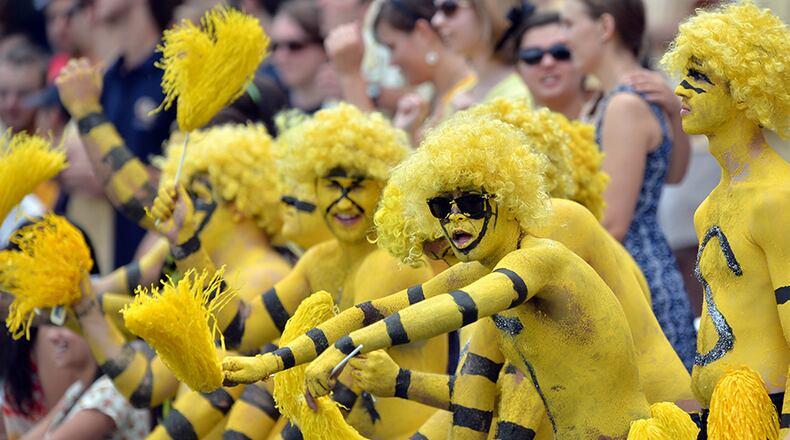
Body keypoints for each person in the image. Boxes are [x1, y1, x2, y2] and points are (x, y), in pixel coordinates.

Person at [225, 112, 697, 438]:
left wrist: (351, 352)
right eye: (441, 210)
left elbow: (458, 318)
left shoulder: (541, 252)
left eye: (471, 204)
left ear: (508, 196)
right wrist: (269, 365)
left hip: (660, 422)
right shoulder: (481, 269)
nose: (453, 227)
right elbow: (377, 313)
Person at [163, 103, 447, 438]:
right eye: (331, 185)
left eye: (356, 186)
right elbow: (241, 328)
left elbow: (338, 383)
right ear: (312, 185)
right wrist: (184, 240)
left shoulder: (390, 262)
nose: (342, 202)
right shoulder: (318, 260)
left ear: (384, 189)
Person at [662, 2, 790, 436]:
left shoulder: (778, 199)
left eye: (698, 77)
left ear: (743, 92)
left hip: (766, 415)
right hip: (715, 414)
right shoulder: (707, 209)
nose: (680, 90)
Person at [561, 0, 696, 369]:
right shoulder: (612, 99)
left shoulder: (623, 104)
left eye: (569, 24)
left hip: (634, 279)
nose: (563, 37)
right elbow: (673, 174)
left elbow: (613, 223)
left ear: (604, 28)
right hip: (638, 268)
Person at [373, 0, 474, 144]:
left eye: (392, 47)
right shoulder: (434, 99)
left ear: (422, 32)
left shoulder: (469, 98)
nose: (392, 62)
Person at [431, 0, 532, 108]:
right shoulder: (461, 94)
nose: (436, 21)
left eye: (449, 7)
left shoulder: (520, 95)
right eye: (436, 10)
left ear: (487, 8)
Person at [270, 0, 339, 114]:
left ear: (324, 46)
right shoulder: (267, 106)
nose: (280, 57)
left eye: (294, 46)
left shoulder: (343, 108)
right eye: (275, 46)